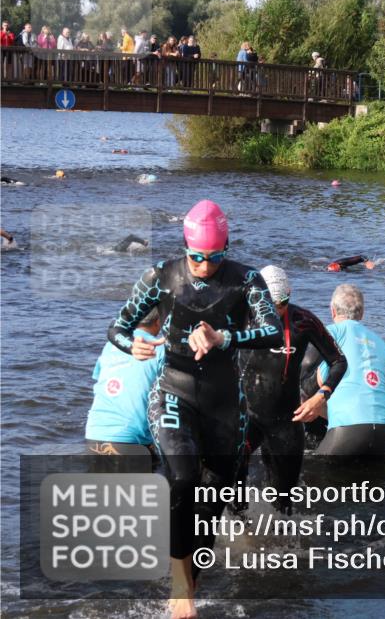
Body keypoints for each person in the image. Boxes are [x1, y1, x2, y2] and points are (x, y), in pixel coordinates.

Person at [107, 199, 283, 619]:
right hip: (174, 392)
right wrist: (130, 344)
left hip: (224, 403)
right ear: (186, 248)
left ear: (226, 248)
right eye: (197, 257)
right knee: (183, 477)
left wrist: (225, 338)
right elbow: (118, 325)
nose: (204, 265)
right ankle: (181, 586)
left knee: (212, 500)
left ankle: (191, 584)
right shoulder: (162, 276)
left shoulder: (246, 279)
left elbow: (272, 329)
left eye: (214, 257)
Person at [237, 265, 347, 512]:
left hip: (286, 421)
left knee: (284, 504)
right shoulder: (239, 318)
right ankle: (241, 542)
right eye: (271, 304)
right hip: (247, 418)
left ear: (290, 294)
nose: (277, 310)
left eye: (283, 302)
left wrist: (321, 396)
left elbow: (339, 361)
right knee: (232, 491)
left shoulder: (304, 321)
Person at [295, 284, 385, 456]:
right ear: (361, 313)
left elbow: (302, 376)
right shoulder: (382, 344)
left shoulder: (330, 332)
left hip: (346, 430)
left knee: (311, 475)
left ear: (332, 311)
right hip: (382, 432)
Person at [86, 308, 164, 470]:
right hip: (131, 438)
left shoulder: (111, 346)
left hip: (95, 433)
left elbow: (100, 379)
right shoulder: (159, 349)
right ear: (158, 322)